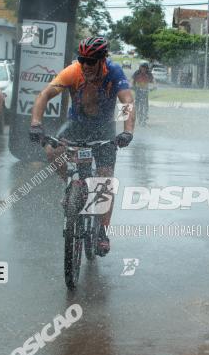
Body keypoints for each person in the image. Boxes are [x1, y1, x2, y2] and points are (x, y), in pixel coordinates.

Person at [28, 36, 134, 256]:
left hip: (104, 129)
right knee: (51, 149)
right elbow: (44, 95)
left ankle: (102, 232)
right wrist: (36, 124)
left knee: (104, 180)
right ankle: (71, 187)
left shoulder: (113, 72)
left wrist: (127, 131)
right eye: (82, 59)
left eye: (91, 60)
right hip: (76, 125)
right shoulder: (72, 72)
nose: (86, 64)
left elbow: (126, 101)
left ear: (102, 60)